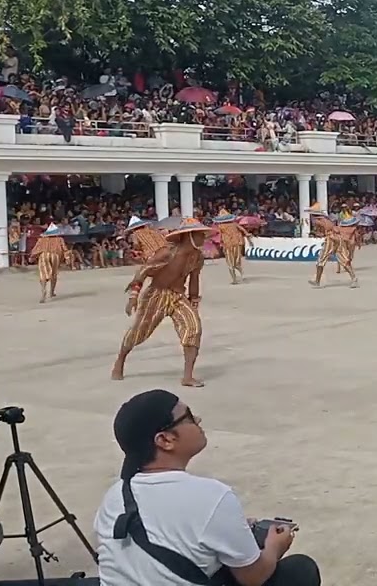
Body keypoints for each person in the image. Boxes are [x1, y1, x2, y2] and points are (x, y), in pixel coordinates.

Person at [94, 390, 320, 586]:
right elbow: (253, 577)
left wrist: (231, 527)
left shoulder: (115, 495)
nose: (198, 420)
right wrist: (274, 547)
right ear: (165, 440)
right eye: (189, 417)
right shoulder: (211, 496)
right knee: (300, 570)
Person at [113, 218, 211, 387]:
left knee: (193, 328)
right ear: (190, 236)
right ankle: (120, 360)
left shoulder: (197, 257)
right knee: (139, 332)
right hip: (156, 295)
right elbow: (143, 271)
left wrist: (194, 301)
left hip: (178, 296)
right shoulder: (167, 253)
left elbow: (194, 279)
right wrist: (133, 297)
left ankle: (187, 377)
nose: (204, 237)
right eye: (200, 234)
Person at [30, 222, 70, 303]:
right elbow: (65, 249)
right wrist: (67, 258)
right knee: (54, 274)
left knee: (43, 274)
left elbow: (36, 249)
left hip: (43, 255)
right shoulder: (59, 239)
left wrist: (32, 257)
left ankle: (43, 291)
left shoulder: (41, 239)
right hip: (55, 255)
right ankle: (51, 292)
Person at [213, 210, 255, 285]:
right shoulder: (234, 224)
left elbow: (216, 235)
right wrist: (249, 239)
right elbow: (244, 231)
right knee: (237, 262)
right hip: (237, 244)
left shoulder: (220, 227)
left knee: (230, 263)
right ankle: (241, 275)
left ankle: (234, 279)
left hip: (228, 245)